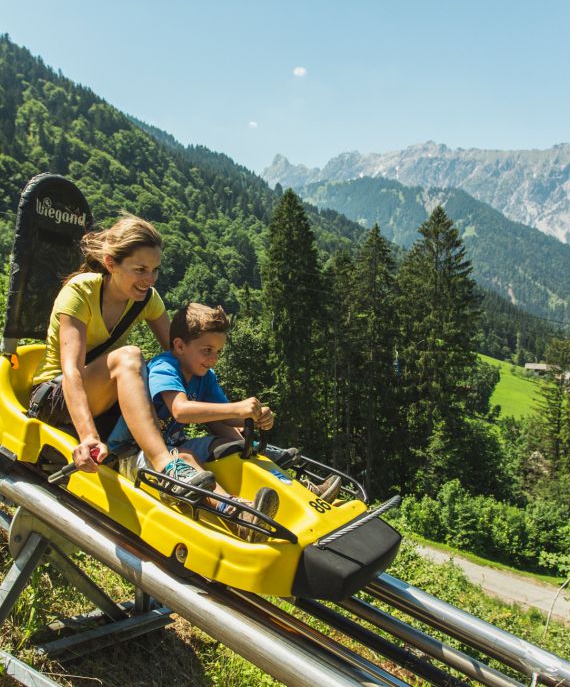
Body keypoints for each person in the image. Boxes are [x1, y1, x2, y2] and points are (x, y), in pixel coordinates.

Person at [107, 303, 341, 538]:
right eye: (207, 350)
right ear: (179, 345)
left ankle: (302, 493)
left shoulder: (204, 376)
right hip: (133, 453)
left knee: (231, 443)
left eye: (218, 351)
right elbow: (180, 410)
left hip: (174, 443)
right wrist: (239, 409)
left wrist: (255, 417)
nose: (213, 359)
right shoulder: (164, 367)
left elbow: (227, 417)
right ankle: (236, 513)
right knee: (187, 458)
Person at [29, 215, 214, 493]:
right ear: (111, 263)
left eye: (155, 270)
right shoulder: (80, 292)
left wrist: (227, 421)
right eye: (140, 269)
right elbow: (72, 370)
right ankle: (164, 463)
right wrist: (88, 436)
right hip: (57, 398)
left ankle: (167, 457)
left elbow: (183, 359)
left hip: (104, 401)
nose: (149, 280)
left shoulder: (147, 300)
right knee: (129, 357)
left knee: (159, 369)